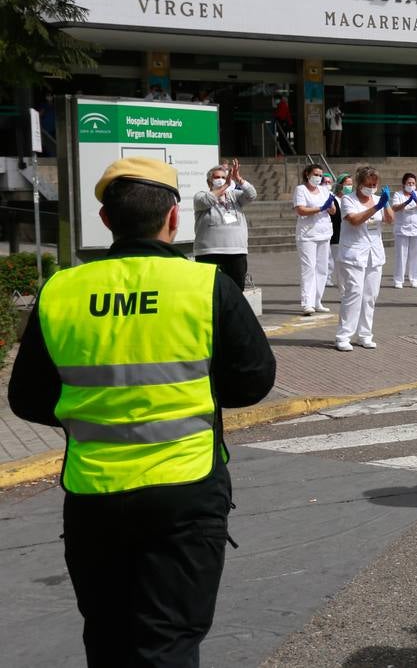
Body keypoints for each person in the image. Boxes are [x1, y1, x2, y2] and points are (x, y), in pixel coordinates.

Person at [7, 157, 275, 666]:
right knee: (169, 642)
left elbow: (26, 399)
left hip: (93, 494)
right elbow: (255, 380)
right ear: (174, 217)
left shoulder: (60, 290)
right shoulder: (206, 286)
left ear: (107, 221)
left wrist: (93, 411)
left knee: (107, 637)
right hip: (185, 490)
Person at [335, 167, 393, 351]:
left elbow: (390, 220)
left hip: (374, 254)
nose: (371, 187)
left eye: (374, 184)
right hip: (353, 254)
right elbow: (354, 220)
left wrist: (386, 203)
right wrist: (376, 207)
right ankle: (343, 336)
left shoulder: (378, 199)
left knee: (370, 296)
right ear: (359, 184)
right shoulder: (348, 200)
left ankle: (364, 334)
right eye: (368, 184)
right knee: (354, 293)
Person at [193, 159, 257, 291]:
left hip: (236, 251)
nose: (221, 180)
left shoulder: (234, 196)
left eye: (223, 177)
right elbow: (208, 200)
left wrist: (238, 179)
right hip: (209, 252)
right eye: (217, 177)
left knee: (236, 291)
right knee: (208, 291)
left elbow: (252, 195)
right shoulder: (200, 196)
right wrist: (225, 185)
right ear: (209, 181)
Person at [294, 163, 337, 315]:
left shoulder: (325, 190)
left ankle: (317, 301)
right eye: (316, 174)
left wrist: (330, 204)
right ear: (307, 174)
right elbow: (300, 210)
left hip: (324, 233)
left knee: (322, 269)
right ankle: (307, 303)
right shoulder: (301, 189)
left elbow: (333, 211)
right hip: (307, 235)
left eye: (320, 175)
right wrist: (320, 208)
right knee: (309, 268)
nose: (318, 177)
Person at [390, 172, 417, 289]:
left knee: (416, 255)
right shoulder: (398, 194)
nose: (411, 185)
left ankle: (414, 279)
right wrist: (406, 202)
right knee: (401, 255)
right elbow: (394, 208)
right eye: (409, 183)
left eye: (413, 183)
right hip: (402, 229)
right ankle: (398, 280)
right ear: (404, 184)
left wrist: (415, 199)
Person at [329, 173, 352, 294]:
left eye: (351, 184)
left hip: (351, 237)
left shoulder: (352, 199)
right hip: (337, 237)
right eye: (347, 184)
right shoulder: (333, 199)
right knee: (340, 267)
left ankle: (351, 290)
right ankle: (343, 293)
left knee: (350, 266)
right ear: (340, 185)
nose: (350, 186)